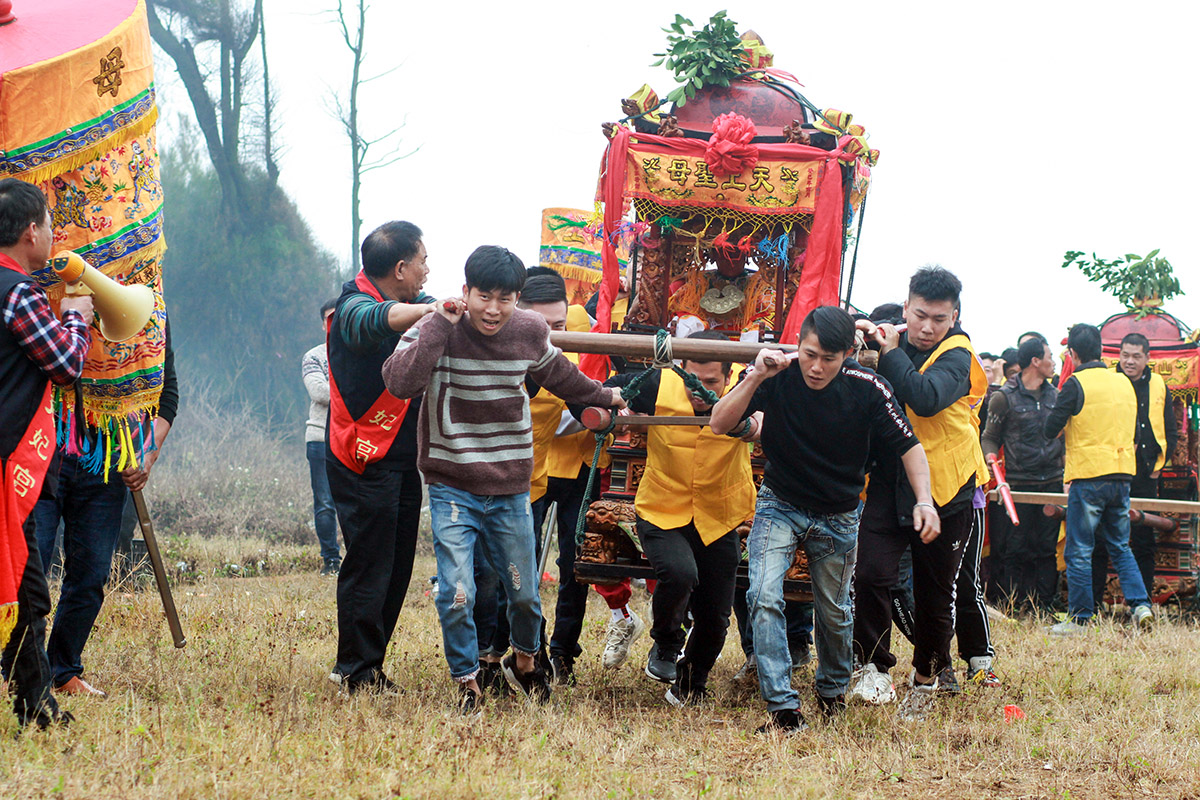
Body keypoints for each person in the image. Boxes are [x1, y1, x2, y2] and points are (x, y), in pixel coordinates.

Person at [381, 245, 624, 714]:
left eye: (505, 299)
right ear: (466, 291)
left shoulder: (529, 331)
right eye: (484, 296)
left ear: (517, 300)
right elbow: (400, 383)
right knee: (457, 592)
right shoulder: (435, 326)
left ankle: (527, 662)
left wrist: (607, 395)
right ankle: (467, 680)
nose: (493, 310)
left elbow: (561, 377)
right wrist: (437, 325)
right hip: (453, 485)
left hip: (512, 485)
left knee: (525, 593)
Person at [710, 306, 937, 735]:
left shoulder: (869, 387)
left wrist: (924, 500)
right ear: (799, 344)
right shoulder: (778, 374)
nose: (816, 367)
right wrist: (756, 375)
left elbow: (910, 446)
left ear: (848, 353)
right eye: (810, 354)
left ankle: (831, 691)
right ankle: (783, 708)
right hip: (780, 501)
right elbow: (720, 423)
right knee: (762, 594)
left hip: (839, 512)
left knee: (834, 611)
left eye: (828, 359)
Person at [849, 266, 989, 722]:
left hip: (946, 489)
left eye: (939, 319)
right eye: (920, 315)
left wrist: (890, 351)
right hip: (891, 483)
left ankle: (926, 680)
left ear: (955, 318)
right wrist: (864, 334)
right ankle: (873, 667)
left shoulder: (959, 355)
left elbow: (925, 396)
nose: (927, 328)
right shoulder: (894, 336)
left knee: (935, 594)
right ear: (906, 307)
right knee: (870, 574)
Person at [591, 330, 760, 706]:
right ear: (680, 367)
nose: (699, 390)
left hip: (720, 514)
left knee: (716, 617)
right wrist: (613, 409)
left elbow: (780, 413)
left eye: (712, 382)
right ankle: (666, 644)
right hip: (663, 507)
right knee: (681, 573)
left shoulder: (748, 387)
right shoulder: (657, 380)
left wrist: (760, 420)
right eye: (691, 380)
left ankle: (689, 685)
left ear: (729, 375)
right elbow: (606, 389)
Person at [34, 317, 178, 701]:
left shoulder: (147, 308)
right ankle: (21, 672)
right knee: (30, 569)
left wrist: (148, 453)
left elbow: (167, 393)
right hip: (44, 451)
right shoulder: (48, 296)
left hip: (106, 459)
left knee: (92, 572)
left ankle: (63, 670)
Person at [325, 220, 436, 695]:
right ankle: (354, 668)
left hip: (402, 456)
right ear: (400, 268)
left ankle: (370, 662)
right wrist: (429, 315)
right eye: (423, 262)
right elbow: (377, 321)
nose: (428, 270)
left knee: (396, 566)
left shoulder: (418, 304)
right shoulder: (352, 304)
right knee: (370, 564)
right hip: (362, 455)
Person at [0, 178, 92, 728]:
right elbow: (65, 363)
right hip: (11, 459)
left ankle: (34, 699)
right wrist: (77, 313)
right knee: (25, 584)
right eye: (52, 225)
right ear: (31, 232)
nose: (55, 235)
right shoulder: (19, 292)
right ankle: (34, 705)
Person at [1043, 324, 1152, 634]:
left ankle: (1079, 618)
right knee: (1120, 546)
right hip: (1122, 475)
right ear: (1103, 351)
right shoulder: (1123, 383)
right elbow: (1137, 433)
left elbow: (1051, 428)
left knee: (1079, 549)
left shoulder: (1076, 383)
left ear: (1073, 354)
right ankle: (1141, 604)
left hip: (1089, 476)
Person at [1089, 333, 1175, 611]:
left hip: (1145, 474)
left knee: (1144, 540)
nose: (1129, 361)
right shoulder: (1109, 382)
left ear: (1148, 358)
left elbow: (1170, 430)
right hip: (1110, 471)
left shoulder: (1159, 384)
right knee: (1101, 538)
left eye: (1136, 356)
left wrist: (1156, 468)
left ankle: (1141, 605)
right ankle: (1094, 603)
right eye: (1125, 355)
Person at [981, 337, 1064, 612]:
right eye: (1050, 356)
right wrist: (990, 458)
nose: (1054, 362)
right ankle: (1014, 604)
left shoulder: (1056, 396)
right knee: (1016, 546)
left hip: (1051, 482)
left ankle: (1045, 606)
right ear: (1035, 362)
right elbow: (989, 438)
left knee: (1045, 548)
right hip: (1018, 484)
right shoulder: (1004, 397)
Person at [302, 298, 340, 575]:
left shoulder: (363, 352)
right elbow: (318, 392)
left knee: (358, 502)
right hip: (321, 438)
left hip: (356, 438)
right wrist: (355, 392)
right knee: (325, 503)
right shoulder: (314, 356)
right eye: (328, 318)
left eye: (338, 317)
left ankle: (358, 558)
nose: (333, 324)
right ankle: (331, 560)